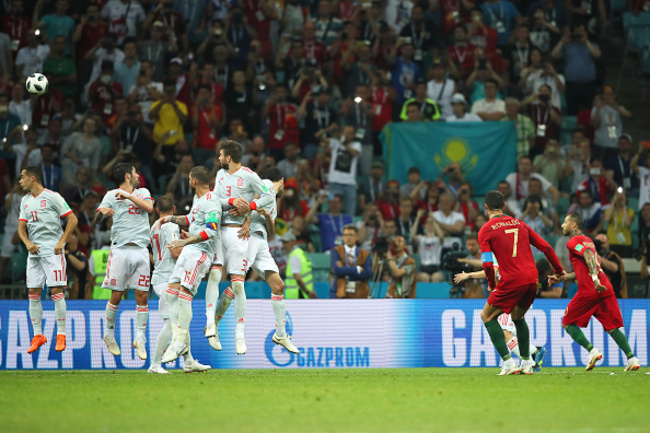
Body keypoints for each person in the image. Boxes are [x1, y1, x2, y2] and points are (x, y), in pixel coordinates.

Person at [211, 167, 298, 354]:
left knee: (278, 286)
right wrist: (248, 222)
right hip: (248, 238)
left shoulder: (273, 199)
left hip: (261, 242)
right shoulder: (266, 185)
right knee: (237, 284)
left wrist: (267, 217)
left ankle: (281, 335)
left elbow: (272, 233)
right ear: (281, 180)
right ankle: (214, 325)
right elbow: (250, 202)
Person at [479, 190, 563, 375]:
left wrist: (492, 284)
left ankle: (508, 363)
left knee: (487, 316)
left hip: (511, 280)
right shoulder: (520, 224)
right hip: (533, 280)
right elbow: (546, 247)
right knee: (518, 317)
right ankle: (526, 362)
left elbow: (486, 262)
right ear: (504, 205)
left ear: (485, 207)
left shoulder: (486, 230)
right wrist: (558, 270)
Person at [550, 214, 640, 372]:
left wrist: (594, 279)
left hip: (591, 289)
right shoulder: (588, 240)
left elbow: (588, 256)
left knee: (567, 322)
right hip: (605, 287)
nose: (562, 225)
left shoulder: (573, 241)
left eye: (565, 222)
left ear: (574, 226)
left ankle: (592, 351)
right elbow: (589, 264)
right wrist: (565, 277)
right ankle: (632, 358)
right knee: (611, 327)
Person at [212, 140, 275, 355]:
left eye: (221, 155)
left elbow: (269, 195)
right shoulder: (220, 175)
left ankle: (239, 335)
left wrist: (250, 206)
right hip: (220, 232)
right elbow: (214, 199)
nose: (219, 158)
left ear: (228, 157)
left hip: (239, 234)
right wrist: (231, 201)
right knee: (212, 277)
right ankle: (213, 326)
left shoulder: (250, 176)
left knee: (238, 285)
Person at [155, 166, 219, 364]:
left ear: (194, 181)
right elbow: (191, 219)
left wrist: (186, 241)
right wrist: (171, 218)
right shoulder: (198, 200)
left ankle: (180, 341)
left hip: (199, 253)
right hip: (189, 250)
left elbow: (212, 230)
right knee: (170, 292)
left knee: (184, 295)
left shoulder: (211, 202)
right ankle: (178, 339)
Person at [95, 163, 154, 360]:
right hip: (120, 249)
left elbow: (149, 208)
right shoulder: (111, 195)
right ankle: (109, 334)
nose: (139, 175)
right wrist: (101, 214)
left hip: (140, 250)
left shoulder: (143, 191)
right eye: (136, 172)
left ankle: (140, 338)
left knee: (142, 296)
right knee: (117, 295)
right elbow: (96, 218)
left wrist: (128, 196)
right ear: (128, 175)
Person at [18, 165, 77, 354]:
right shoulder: (25, 201)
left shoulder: (53, 197)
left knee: (56, 291)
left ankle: (61, 335)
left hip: (53, 252)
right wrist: (27, 243)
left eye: (22, 177)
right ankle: (38, 335)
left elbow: (73, 220)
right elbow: (21, 229)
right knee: (33, 292)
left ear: (32, 179)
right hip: (34, 253)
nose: (20, 181)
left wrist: (62, 241)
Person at [324, 125, 362, 216]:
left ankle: (349, 227)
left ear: (353, 135)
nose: (347, 135)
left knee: (350, 211)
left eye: (349, 133)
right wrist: (327, 130)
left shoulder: (357, 145)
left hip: (349, 185)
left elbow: (354, 153)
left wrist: (344, 143)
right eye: (345, 132)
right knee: (330, 207)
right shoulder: (335, 143)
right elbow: (318, 136)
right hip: (333, 183)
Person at [331, 225, 373, 298]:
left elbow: (367, 273)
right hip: (340, 292)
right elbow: (337, 270)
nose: (348, 238)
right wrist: (357, 269)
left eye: (351, 235)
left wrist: (345, 272)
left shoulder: (365, 253)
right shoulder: (336, 251)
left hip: (360, 292)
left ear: (357, 237)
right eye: (345, 235)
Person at [283, 231, 317, 299]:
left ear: (293, 242)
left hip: (298, 294)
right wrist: (311, 291)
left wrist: (308, 292)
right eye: (283, 242)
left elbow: (298, 278)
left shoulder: (294, 256)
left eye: (286, 242)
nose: (284, 245)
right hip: (305, 293)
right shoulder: (301, 253)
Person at [594, 232, 627, 299]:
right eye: (598, 243)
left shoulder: (613, 256)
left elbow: (614, 268)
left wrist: (596, 256)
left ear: (608, 243)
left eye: (603, 243)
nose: (601, 246)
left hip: (615, 296)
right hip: (595, 297)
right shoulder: (588, 257)